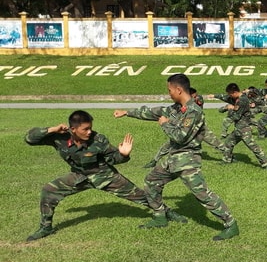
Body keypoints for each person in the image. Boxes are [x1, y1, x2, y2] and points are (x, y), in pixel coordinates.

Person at [24, 110, 185, 241]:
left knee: (140, 196)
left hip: (105, 176)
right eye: (85, 129)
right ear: (73, 129)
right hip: (79, 176)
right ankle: (46, 227)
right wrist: (51, 129)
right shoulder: (59, 138)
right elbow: (29, 139)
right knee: (48, 191)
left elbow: (113, 158)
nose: (89, 132)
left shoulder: (98, 139)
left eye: (90, 128)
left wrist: (123, 154)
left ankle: (167, 212)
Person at [114, 73, 239, 241]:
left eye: (169, 90)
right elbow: (151, 112)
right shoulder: (174, 108)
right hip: (173, 158)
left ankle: (231, 224)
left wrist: (165, 124)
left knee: (202, 193)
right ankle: (160, 216)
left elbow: (180, 137)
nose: (169, 93)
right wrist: (126, 112)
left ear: (178, 90)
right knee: (151, 181)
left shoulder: (194, 112)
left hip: (187, 160)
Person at [143, 87, 225, 168]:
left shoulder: (198, 99)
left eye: (196, 95)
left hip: (198, 127)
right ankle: (154, 160)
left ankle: (228, 154)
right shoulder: (182, 103)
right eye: (194, 95)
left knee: (214, 141)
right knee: (169, 144)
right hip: (185, 127)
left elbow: (197, 105)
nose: (196, 96)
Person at [211, 83, 267, 169]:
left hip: (244, 129)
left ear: (235, 92)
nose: (229, 96)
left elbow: (236, 116)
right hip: (238, 129)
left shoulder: (242, 100)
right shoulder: (235, 98)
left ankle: (266, 164)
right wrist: (214, 96)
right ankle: (227, 160)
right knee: (228, 142)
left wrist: (230, 108)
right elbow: (224, 97)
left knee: (253, 146)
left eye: (230, 94)